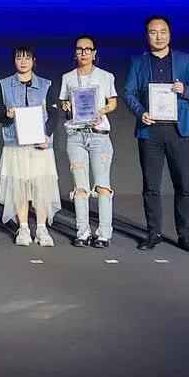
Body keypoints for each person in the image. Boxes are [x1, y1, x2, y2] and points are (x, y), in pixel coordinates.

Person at [123, 15, 189, 253]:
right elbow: (128, 92)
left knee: (183, 185)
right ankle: (153, 234)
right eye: (153, 32)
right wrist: (141, 113)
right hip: (150, 130)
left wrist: (184, 89)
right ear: (146, 35)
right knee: (151, 186)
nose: (158, 36)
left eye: (162, 31)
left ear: (170, 34)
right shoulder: (138, 61)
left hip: (178, 130)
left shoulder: (185, 59)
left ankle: (184, 235)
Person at [0, 46, 58, 246]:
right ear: (14, 61)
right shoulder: (4, 84)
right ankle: (23, 228)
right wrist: (7, 114)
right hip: (16, 145)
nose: (23, 62)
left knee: (41, 187)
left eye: (27, 58)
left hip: (40, 145)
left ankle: (41, 228)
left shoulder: (46, 84)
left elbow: (54, 114)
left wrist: (46, 135)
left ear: (33, 61)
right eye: (19, 58)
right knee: (19, 186)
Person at [59, 35, 117, 249]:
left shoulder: (105, 76)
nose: (83, 53)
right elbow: (64, 101)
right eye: (79, 49)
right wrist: (65, 105)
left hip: (98, 134)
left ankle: (104, 233)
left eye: (88, 49)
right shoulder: (68, 77)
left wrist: (101, 110)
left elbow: (113, 102)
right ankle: (82, 231)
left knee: (102, 185)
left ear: (94, 53)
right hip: (76, 135)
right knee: (80, 187)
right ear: (75, 53)